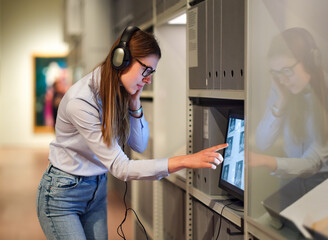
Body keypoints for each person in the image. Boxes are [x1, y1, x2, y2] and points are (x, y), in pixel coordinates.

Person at [36, 26, 228, 239]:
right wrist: (183, 161)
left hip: (96, 188)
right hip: (63, 195)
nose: (148, 80)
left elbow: (139, 144)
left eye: (152, 73)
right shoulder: (81, 102)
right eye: (146, 70)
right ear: (122, 60)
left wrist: (134, 103)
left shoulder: (118, 91)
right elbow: (121, 168)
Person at [251, 27, 328, 182]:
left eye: (286, 70)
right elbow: (262, 142)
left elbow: (313, 163)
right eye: (276, 73)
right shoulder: (282, 88)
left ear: (311, 62)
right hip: (289, 177)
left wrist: (267, 161)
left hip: (320, 182)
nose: (283, 80)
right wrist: (281, 102)